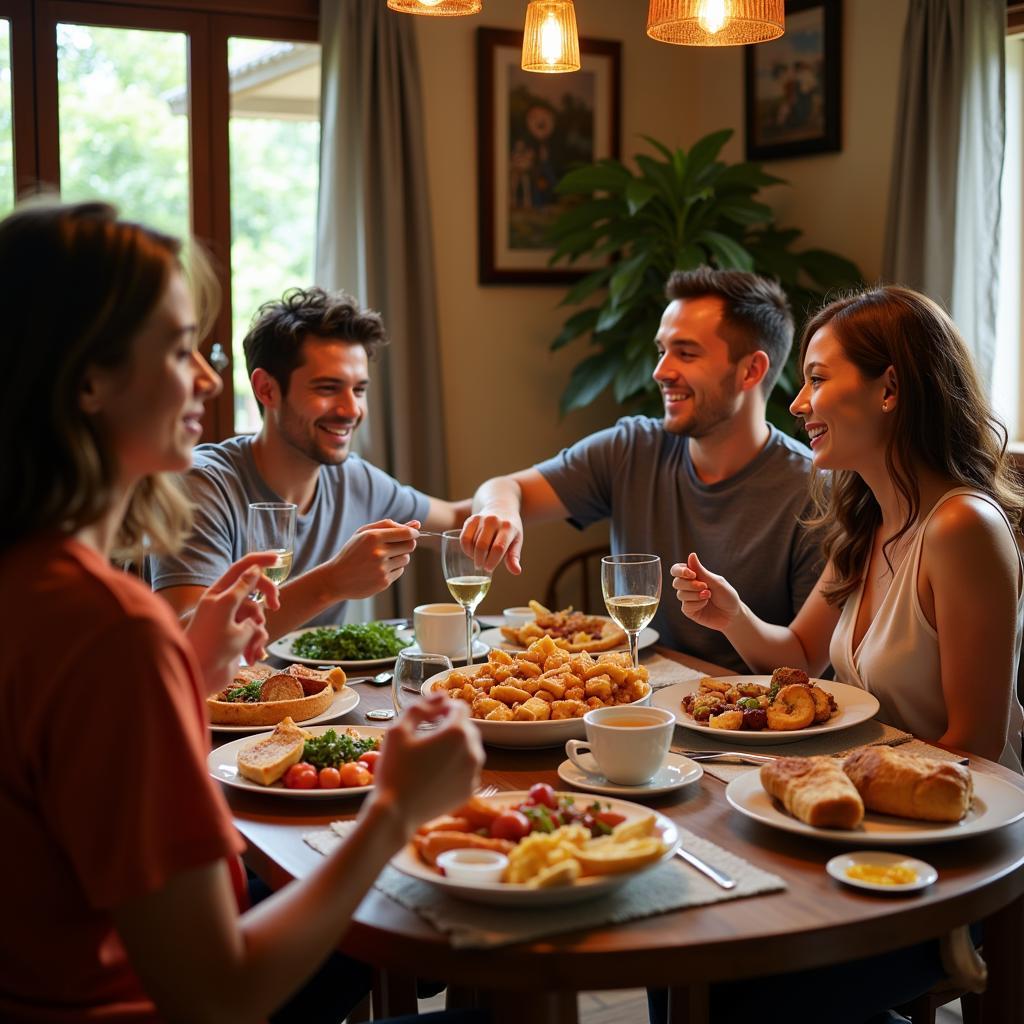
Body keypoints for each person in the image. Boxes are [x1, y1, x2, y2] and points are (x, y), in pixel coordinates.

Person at [0, 200, 485, 1023]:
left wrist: (188, 672)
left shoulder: (31, 582)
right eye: (181, 349)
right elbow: (216, 995)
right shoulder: (110, 625)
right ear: (87, 377)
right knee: (505, 991)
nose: (207, 381)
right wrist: (395, 809)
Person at [672, 285, 1024, 770]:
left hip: (957, 812)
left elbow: (976, 742)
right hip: (869, 788)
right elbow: (800, 655)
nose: (797, 404)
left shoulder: (963, 527)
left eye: (817, 380)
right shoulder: (868, 521)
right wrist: (731, 615)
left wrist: (838, 775)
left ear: (889, 389)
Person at [462, 267, 822, 673]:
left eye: (685, 353)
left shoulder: (815, 490)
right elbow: (507, 487)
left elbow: (805, 666)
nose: (660, 371)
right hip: (639, 700)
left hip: (748, 718)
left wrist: (734, 618)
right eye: (661, 350)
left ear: (751, 371)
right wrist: (500, 507)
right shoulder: (632, 448)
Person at [149, 286, 471, 639]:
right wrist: (331, 583)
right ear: (267, 390)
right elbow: (182, 646)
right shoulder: (201, 484)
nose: (352, 410)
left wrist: (502, 497)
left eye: (359, 389)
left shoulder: (354, 479)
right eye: (328, 388)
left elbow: (457, 519)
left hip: (323, 694)